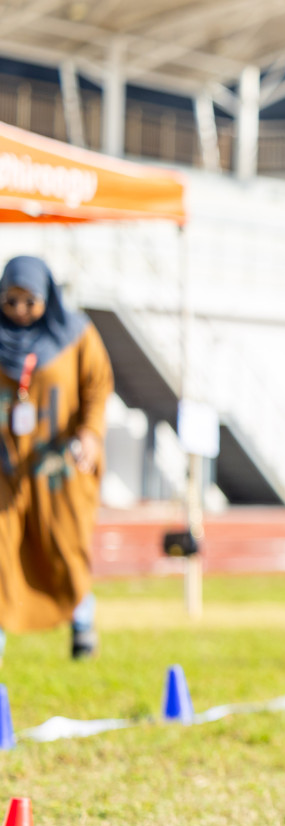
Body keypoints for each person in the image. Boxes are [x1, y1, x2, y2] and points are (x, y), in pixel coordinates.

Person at [0, 256, 113, 664]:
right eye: (10, 301)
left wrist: (90, 433)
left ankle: (82, 618)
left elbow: (97, 386)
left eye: (29, 302)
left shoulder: (76, 334)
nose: (19, 311)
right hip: (7, 466)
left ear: (47, 296)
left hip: (57, 465)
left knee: (65, 545)